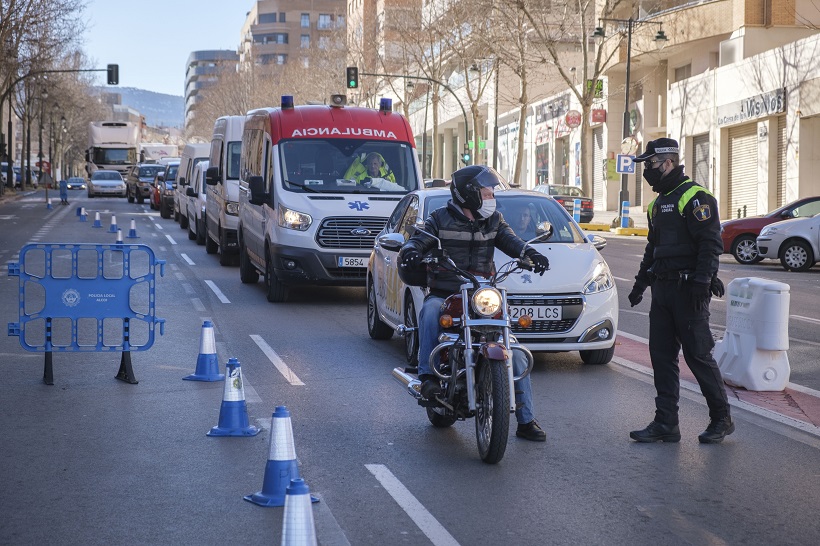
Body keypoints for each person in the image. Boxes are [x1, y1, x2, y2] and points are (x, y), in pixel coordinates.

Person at [399, 165, 551, 442]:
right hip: (447, 292)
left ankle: (526, 419)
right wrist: (411, 250)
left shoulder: (493, 221)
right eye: (486, 191)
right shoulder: (439, 218)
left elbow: (511, 241)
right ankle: (427, 377)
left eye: (492, 191)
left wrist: (530, 253)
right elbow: (421, 240)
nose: (491, 196)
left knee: (514, 348)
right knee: (430, 310)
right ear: (469, 194)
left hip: (482, 293)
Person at [627, 137, 733, 444]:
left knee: (698, 356)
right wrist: (640, 284)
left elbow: (711, 244)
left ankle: (722, 418)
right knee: (661, 357)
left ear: (669, 162)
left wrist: (702, 282)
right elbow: (653, 249)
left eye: (651, 164)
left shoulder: (696, 197)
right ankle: (666, 423)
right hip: (662, 291)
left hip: (689, 291)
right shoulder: (657, 204)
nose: (647, 170)